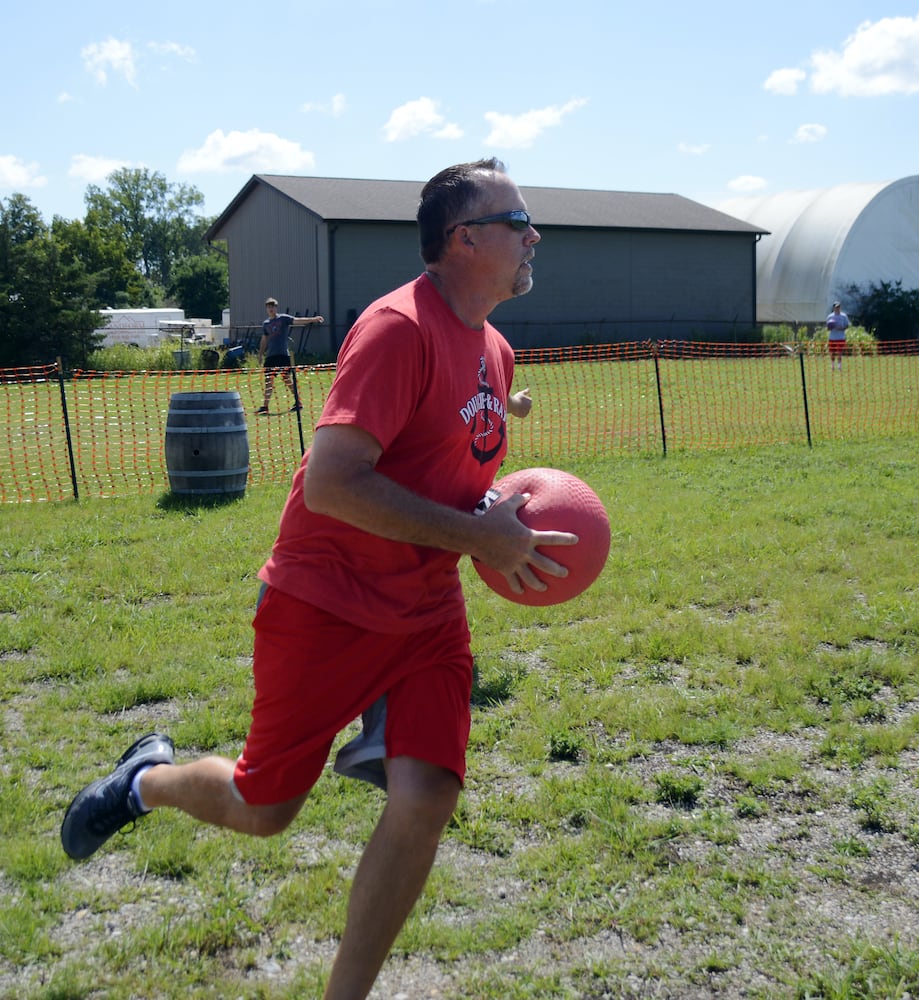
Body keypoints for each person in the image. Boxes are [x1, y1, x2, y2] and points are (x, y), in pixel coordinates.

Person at [60, 158, 569, 999]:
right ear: (464, 239)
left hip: (426, 610)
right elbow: (333, 484)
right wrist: (479, 534)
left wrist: (498, 516)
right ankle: (143, 780)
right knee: (265, 809)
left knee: (428, 793)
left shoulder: (497, 350)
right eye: (519, 221)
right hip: (324, 602)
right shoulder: (395, 329)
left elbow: (449, 461)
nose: (534, 236)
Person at [256, 298, 325, 414]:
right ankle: (265, 406)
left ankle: (298, 402)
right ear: (266, 309)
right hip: (271, 356)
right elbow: (264, 339)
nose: (271, 309)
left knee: (287, 379)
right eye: (268, 307)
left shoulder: (283, 319)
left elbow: (297, 320)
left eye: (272, 306)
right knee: (269, 380)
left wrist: (313, 319)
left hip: (283, 355)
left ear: (276, 308)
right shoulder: (266, 324)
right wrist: (260, 354)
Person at [825, 302, 849, 370]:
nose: (837, 308)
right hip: (832, 337)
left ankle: (839, 366)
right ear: (833, 308)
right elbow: (827, 328)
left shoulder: (843, 316)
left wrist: (841, 328)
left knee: (839, 352)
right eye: (836, 307)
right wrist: (830, 327)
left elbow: (847, 325)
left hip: (841, 337)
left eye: (838, 307)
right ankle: (832, 365)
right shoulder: (830, 316)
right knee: (832, 352)